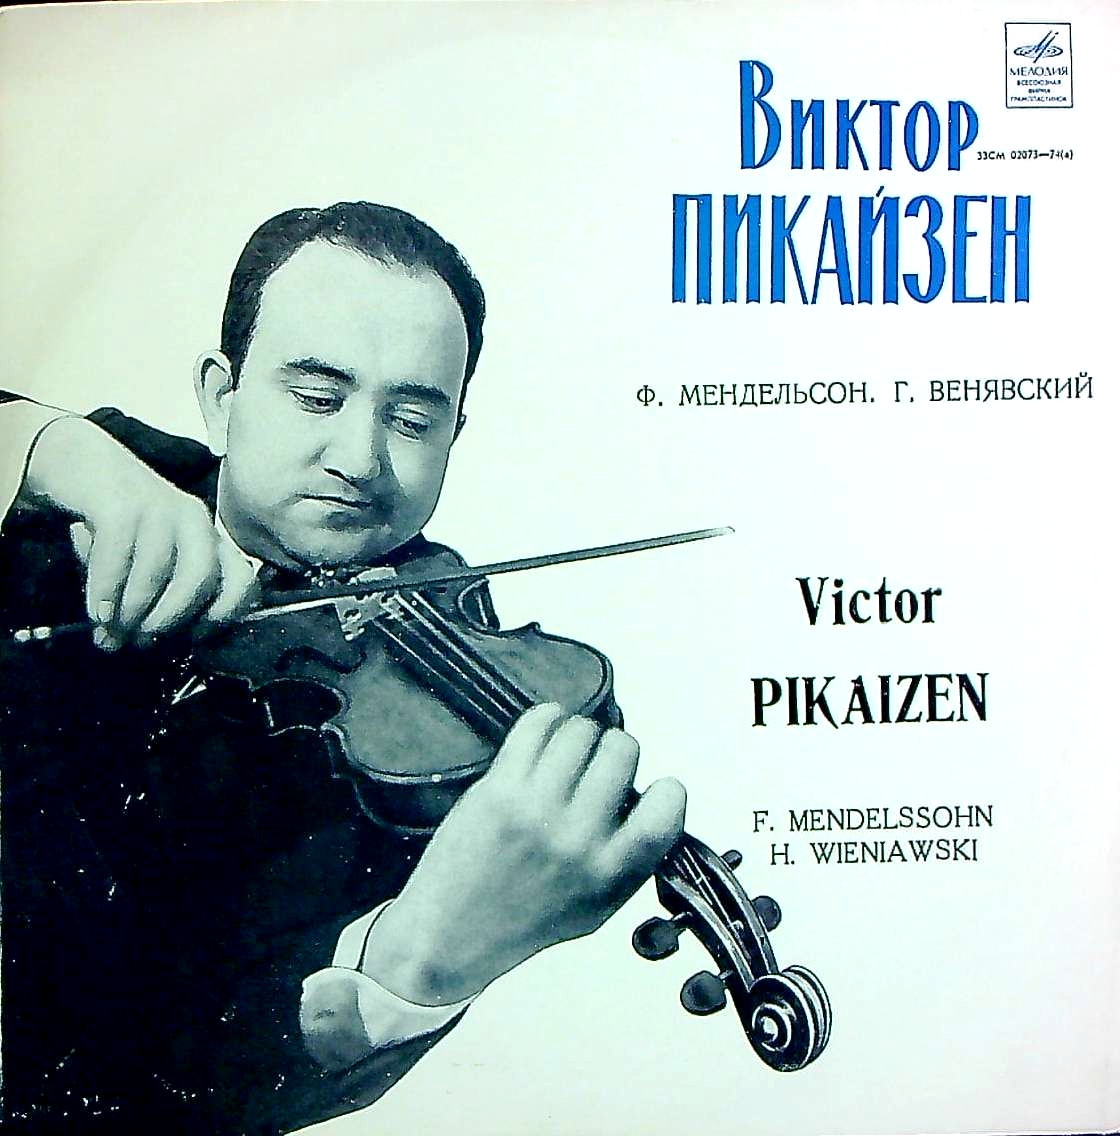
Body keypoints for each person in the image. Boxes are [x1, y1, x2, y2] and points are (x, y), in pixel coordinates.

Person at [0, 203, 686, 1133]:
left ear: (454, 434)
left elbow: (181, 1075)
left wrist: (415, 963)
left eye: (412, 419)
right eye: (318, 398)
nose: (361, 461)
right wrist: (59, 447)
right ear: (221, 396)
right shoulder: (104, 476)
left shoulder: (429, 762)